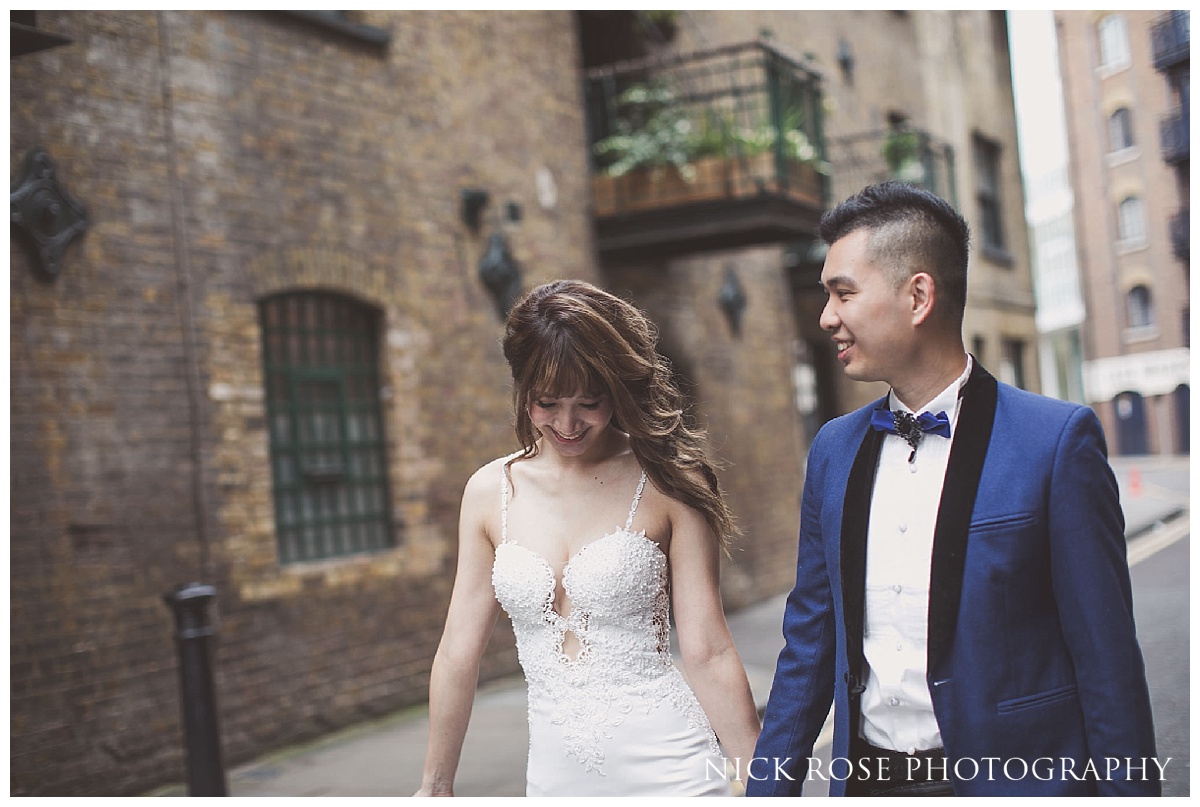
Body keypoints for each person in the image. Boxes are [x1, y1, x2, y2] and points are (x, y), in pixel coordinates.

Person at [747, 181, 1159, 797]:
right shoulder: (833, 450)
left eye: (844, 293)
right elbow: (808, 644)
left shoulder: (1056, 442)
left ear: (918, 296)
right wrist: (767, 789)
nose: (826, 316)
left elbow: (1106, 661)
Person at [415, 279, 761, 796]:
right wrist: (435, 784)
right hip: (555, 779)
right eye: (547, 403)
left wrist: (764, 779)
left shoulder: (671, 481)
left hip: (673, 770)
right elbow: (457, 654)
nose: (569, 423)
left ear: (617, 391)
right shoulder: (490, 491)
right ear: (522, 390)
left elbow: (707, 650)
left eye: (589, 402)